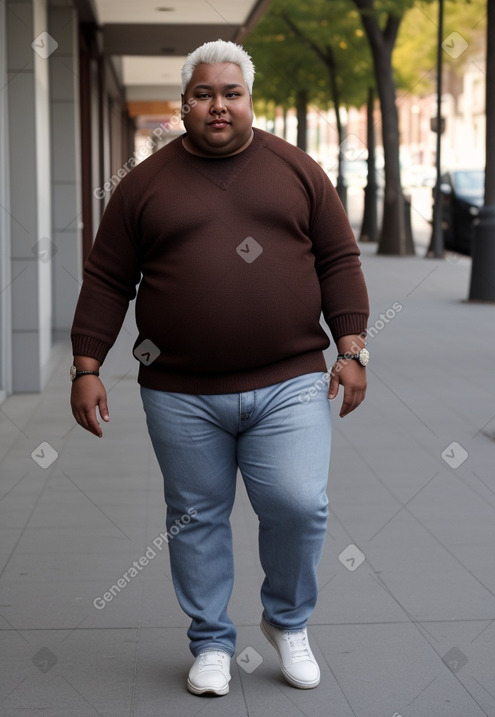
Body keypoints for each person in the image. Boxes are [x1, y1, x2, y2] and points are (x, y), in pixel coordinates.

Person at [70, 39, 370, 697]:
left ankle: (288, 622)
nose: (218, 105)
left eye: (230, 93)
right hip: (179, 389)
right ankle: (209, 639)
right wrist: (85, 364)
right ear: (183, 103)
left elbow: (339, 261)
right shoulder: (144, 185)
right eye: (204, 93)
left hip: (289, 379)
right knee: (196, 514)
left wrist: (351, 348)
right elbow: (107, 277)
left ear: (249, 100)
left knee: (298, 502)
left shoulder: (296, 171)